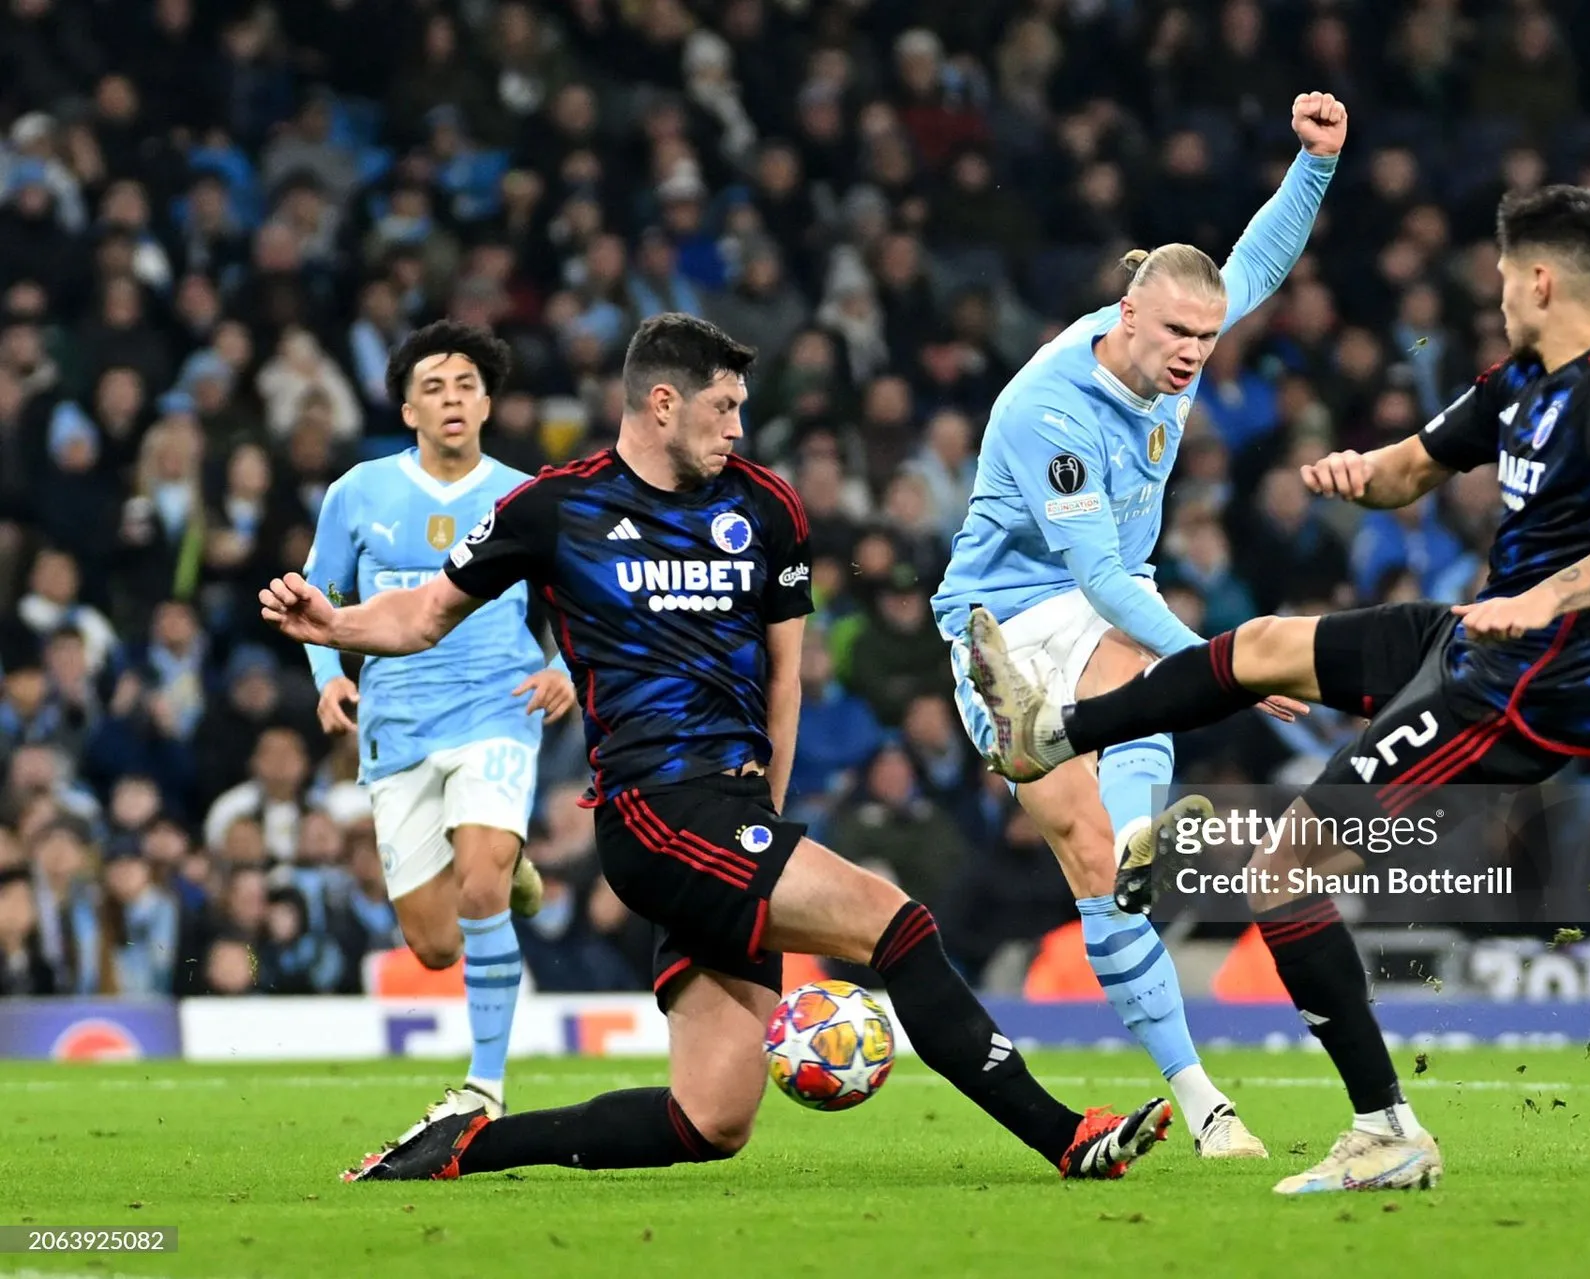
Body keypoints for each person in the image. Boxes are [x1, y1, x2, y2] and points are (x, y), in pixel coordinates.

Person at [262, 314, 1170, 1183]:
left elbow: (786, 681)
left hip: (732, 814)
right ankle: (1065, 1137)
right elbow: (424, 614)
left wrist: (766, 819)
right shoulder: (553, 507)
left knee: (707, 1121)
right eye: (722, 407)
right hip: (652, 809)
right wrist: (335, 622)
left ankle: (468, 1145)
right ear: (662, 403)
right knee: (899, 925)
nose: (739, 426)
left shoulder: (767, 506)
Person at [965, 185, 1590, 1194]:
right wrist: (1358, 471)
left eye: (1500, 276)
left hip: (1526, 687)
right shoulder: (1525, 379)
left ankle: (1387, 1127)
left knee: (1280, 870)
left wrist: (1545, 601)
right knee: (1261, 643)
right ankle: (1055, 732)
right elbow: (1416, 468)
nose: (1494, 291)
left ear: (1539, 278)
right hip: (1473, 646)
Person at [928, 91, 1347, 1159]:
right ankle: (1191, 1068)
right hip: (1005, 622)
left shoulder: (1186, 334)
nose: (1193, 356)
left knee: (1109, 844)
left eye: (1206, 338)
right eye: (1174, 334)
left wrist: (1314, 166)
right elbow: (1104, 582)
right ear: (1126, 317)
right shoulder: (1048, 410)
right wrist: (1226, 667)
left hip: (1095, 603)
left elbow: (1256, 264)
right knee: (1110, 756)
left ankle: (1201, 1095)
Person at [302, 321, 578, 1138]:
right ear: (407, 407)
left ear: (488, 402)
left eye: (465, 385)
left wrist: (565, 667)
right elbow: (318, 598)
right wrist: (330, 682)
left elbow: (581, 603)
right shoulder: (357, 491)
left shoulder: (528, 497)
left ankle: (484, 1086)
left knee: (481, 885)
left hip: (498, 708)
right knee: (432, 943)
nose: (452, 399)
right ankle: (511, 863)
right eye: (434, 387)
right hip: (397, 726)